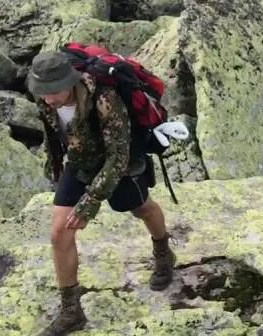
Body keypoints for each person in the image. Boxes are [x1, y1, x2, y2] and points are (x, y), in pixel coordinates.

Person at [28, 51, 176, 336]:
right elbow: (54, 134)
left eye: (55, 91)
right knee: (60, 232)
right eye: (43, 92)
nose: (49, 99)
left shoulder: (105, 99)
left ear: (70, 82)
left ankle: (163, 251)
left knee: (141, 208)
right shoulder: (45, 98)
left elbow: (118, 157)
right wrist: (56, 166)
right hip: (80, 163)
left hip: (118, 164)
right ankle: (72, 312)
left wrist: (90, 202)